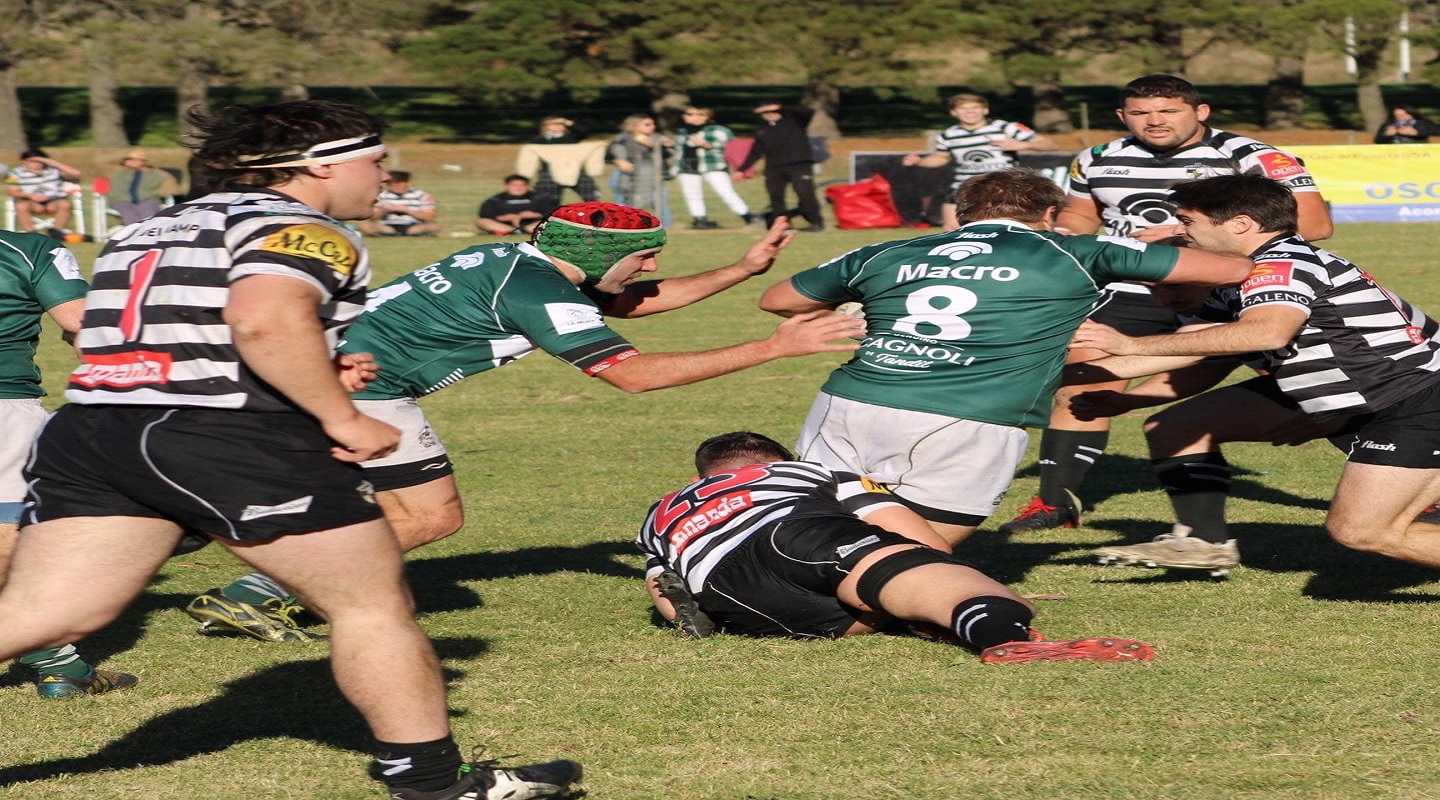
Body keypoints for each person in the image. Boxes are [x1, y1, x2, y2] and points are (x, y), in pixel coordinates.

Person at [1, 99, 581, 799]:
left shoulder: (158, 223)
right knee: (370, 605)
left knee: (43, 616)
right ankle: (433, 781)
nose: (384, 175)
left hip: (95, 428)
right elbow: (262, 316)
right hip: (217, 433)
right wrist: (343, 416)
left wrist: (322, 365)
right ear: (320, 165)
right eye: (375, 159)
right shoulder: (303, 227)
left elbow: (156, 331)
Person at [184, 202, 863, 643]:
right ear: (596, 258)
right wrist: (772, 348)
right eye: (645, 254)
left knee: (297, 497)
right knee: (428, 515)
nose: (652, 266)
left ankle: (222, 551)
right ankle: (260, 590)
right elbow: (629, 373)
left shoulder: (529, 264)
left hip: (322, 369)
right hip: (364, 385)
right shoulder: (538, 288)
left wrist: (743, 269)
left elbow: (625, 303)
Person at [757, 168, 1255, 546]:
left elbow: (778, 299)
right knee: (916, 547)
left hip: (852, 399)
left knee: (820, 519)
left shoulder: (885, 250)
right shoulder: (1077, 251)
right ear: (1049, 216)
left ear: (962, 212)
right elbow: (1232, 268)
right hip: (971, 413)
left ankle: (753, 576)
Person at [998, 73, 1334, 536]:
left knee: (1313, 381)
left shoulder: (1254, 156)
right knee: (1080, 379)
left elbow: (1314, 225)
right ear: (1122, 116)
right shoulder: (1096, 158)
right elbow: (1081, 216)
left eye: (1168, 110)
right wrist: (1067, 235)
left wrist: (1179, 241)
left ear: (1201, 111)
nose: (1154, 121)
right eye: (1140, 112)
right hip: (1136, 289)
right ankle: (1056, 503)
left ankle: (1416, 484)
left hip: (1232, 289)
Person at [1070, 173, 1440, 572]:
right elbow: (1196, 350)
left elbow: (1266, 331)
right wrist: (1039, 375)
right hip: (1374, 395)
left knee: (1364, 530)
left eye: (1188, 222)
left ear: (1240, 224)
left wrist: (1131, 343)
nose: (1180, 232)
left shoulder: (1281, 263)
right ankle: (1203, 541)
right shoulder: (1241, 273)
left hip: (1414, 398)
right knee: (1180, 425)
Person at [636, 431, 1155, 663]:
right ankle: (1000, 634)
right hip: (791, 531)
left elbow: (662, 584)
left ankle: (917, 614)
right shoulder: (809, 471)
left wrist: (692, 616)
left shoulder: (661, 511)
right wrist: (935, 572)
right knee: (953, 589)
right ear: (772, 460)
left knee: (874, 608)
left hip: (736, 599)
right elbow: (913, 534)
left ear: (701, 477)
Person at [0, 230, 140, 698]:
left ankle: (58, 660)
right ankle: (58, 664)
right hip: (4, 407)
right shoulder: (25, 249)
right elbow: (84, 324)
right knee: (14, 537)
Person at [901, 93, 1056, 229]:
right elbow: (940, 158)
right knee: (952, 227)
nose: (970, 112)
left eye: (975, 107)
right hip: (965, 186)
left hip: (1002, 188)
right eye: (964, 108)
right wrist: (919, 162)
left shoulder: (1005, 127)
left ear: (985, 110)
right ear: (953, 112)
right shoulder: (948, 135)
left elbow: (1049, 144)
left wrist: (1022, 144)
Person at [734, 101, 824, 233]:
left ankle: (816, 222)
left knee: (805, 194)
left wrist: (781, 107)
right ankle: (783, 225)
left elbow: (808, 111)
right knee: (775, 197)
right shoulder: (762, 129)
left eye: (772, 111)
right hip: (774, 167)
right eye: (765, 112)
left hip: (798, 165)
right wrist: (742, 169)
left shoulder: (795, 122)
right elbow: (756, 151)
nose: (769, 115)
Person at [674, 107, 754, 229]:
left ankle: (748, 217)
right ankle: (700, 220)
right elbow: (678, 150)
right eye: (685, 113)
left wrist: (707, 145)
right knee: (692, 194)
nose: (686, 116)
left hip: (713, 166)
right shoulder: (682, 131)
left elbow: (731, 149)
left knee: (726, 192)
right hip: (687, 166)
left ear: (704, 116)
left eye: (690, 114)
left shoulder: (719, 131)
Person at [5, 149, 83, 237]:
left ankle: (56, 232)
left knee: (65, 204)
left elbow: (76, 173)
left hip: (54, 201)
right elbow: (11, 191)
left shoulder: (54, 170)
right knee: (21, 205)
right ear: (24, 161)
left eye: (40, 161)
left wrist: (50, 162)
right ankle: (31, 235)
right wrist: (30, 196)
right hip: (31, 202)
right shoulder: (14, 173)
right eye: (33, 161)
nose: (37, 163)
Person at [608, 115, 672, 214]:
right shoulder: (622, 138)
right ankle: (625, 224)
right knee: (624, 202)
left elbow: (667, 154)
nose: (653, 127)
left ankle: (664, 225)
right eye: (647, 124)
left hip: (652, 175)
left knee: (660, 200)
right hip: (625, 176)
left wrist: (656, 147)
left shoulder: (657, 138)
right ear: (634, 126)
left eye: (653, 124)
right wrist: (619, 161)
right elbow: (608, 155)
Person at [104, 149, 181, 226]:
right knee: (129, 215)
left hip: (148, 200)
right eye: (129, 159)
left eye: (137, 159)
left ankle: (143, 235)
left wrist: (155, 193)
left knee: (148, 216)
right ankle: (134, 235)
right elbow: (101, 162)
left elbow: (173, 188)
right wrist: (123, 157)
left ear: (145, 161)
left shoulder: (158, 174)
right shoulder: (115, 172)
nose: (132, 161)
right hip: (122, 201)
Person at [357, 170, 441, 237]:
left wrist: (407, 211)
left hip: (413, 225)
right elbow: (373, 217)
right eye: (391, 185)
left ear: (407, 183)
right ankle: (389, 233)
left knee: (434, 227)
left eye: (398, 185)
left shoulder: (421, 195)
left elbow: (430, 216)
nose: (394, 187)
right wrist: (384, 211)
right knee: (364, 226)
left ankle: (412, 233)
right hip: (388, 225)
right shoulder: (382, 195)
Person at [475, 174, 557, 236]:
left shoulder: (540, 198)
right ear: (506, 186)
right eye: (514, 185)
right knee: (481, 221)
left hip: (532, 224)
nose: (518, 188)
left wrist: (536, 215)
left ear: (527, 186)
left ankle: (525, 230)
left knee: (551, 222)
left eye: (522, 185)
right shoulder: (495, 200)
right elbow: (485, 215)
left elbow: (553, 213)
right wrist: (502, 218)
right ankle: (513, 231)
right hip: (504, 225)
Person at [1373, 104, 1440, 144]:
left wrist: (1416, 132)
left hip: (1419, 155)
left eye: (1405, 114)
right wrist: (1386, 135)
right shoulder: (1388, 125)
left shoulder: (1421, 123)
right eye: (1398, 115)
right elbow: (1377, 140)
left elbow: (1436, 130)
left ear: (1412, 114)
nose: (1402, 117)